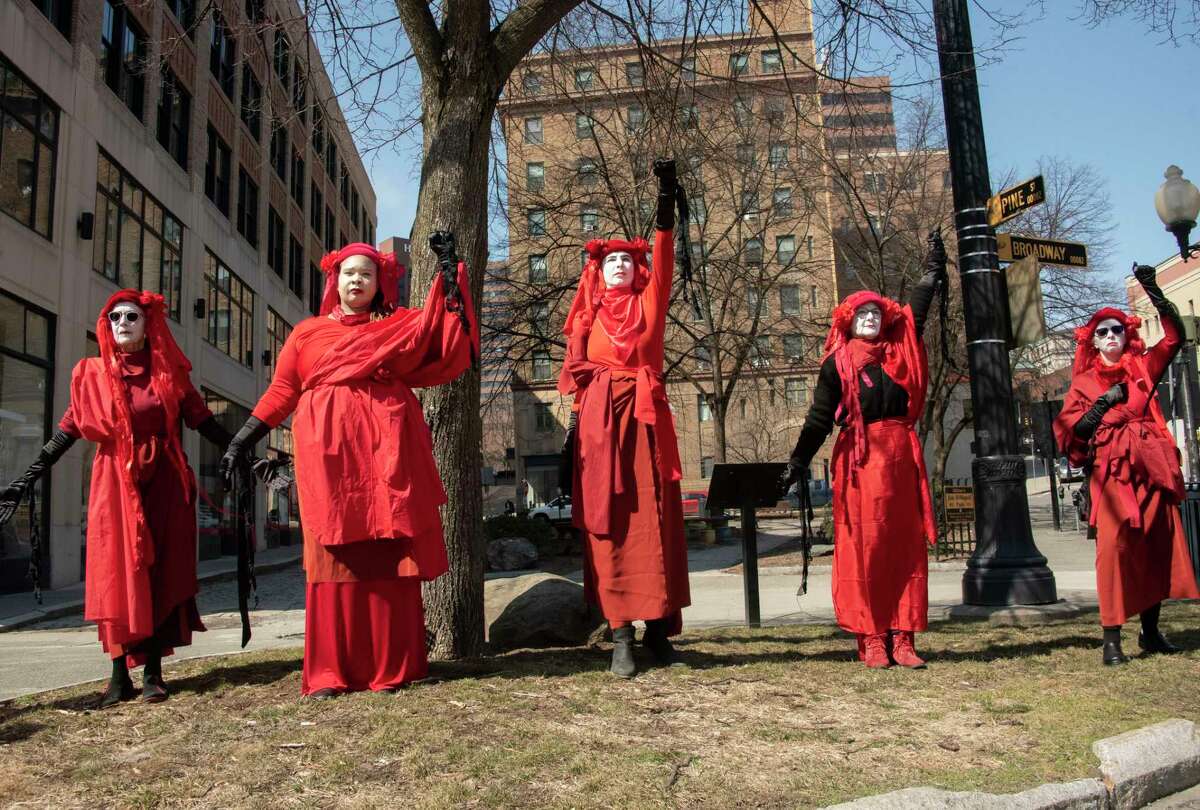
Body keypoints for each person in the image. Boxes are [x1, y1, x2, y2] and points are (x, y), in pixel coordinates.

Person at [222, 236, 477, 698]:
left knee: (389, 556)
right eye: (348, 273)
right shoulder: (307, 333)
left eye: (366, 273)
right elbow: (283, 390)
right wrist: (243, 439)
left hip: (387, 456)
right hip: (329, 459)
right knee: (332, 559)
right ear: (334, 282)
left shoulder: (401, 326)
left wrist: (449, 271)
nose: (356, 279)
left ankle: (391, 669)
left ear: (380, 283)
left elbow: (445, 336)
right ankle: (330, 671)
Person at [0, 290, 247, 706]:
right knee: (116, 572)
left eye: (131, 315)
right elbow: (67, 430)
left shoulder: (168, 373)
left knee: (159, 570)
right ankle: (118, 675)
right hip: (114, 481)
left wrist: (244, 453)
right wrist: (25, 480)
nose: (122, 323)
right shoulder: (90, 374)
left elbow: (203, 420)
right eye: (114, 317)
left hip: (165, 481)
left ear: (147, 323)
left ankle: (153, 672)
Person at [778, 234, 947, 669]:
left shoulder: (899, 352)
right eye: (861, 313)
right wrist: (799, 461)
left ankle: (903, 636)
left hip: (901, 458)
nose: (870, 318)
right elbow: (819, 416)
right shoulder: (837, 363)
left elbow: (917, 316)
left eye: (876, 312)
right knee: (866, 550)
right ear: (847, 322)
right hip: (860, 461)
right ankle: (872, 636)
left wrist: (930, 274)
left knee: (904, 549)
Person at [558, 158, 691, 678]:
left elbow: (663, 254)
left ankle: (659, 631)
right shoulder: (585, 321)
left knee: (657, 522)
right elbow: (576, 385)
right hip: (599, 430)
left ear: (639, 271)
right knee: (608, 526)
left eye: (626, 260)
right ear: (597, 269)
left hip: (645, 426)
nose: (619, 264)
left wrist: (664, 199)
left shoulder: (650, 305)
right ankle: (620, 636)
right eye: (610, 259)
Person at [1053, 263, 1199, 665]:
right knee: (1113, 552)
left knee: (1154, 546)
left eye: (1117, 329)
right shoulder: (1082, 384)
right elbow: (1070, 434)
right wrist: (1100, 406)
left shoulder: (1142, 369)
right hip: (1111, 475)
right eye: (1102, 332)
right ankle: (1112, 638)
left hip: (1148, 469)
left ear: (1126, 334)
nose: (1111, 336)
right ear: (1093, 341)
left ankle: (1150, 632)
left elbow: (1173, 337)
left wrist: (1152, 289)